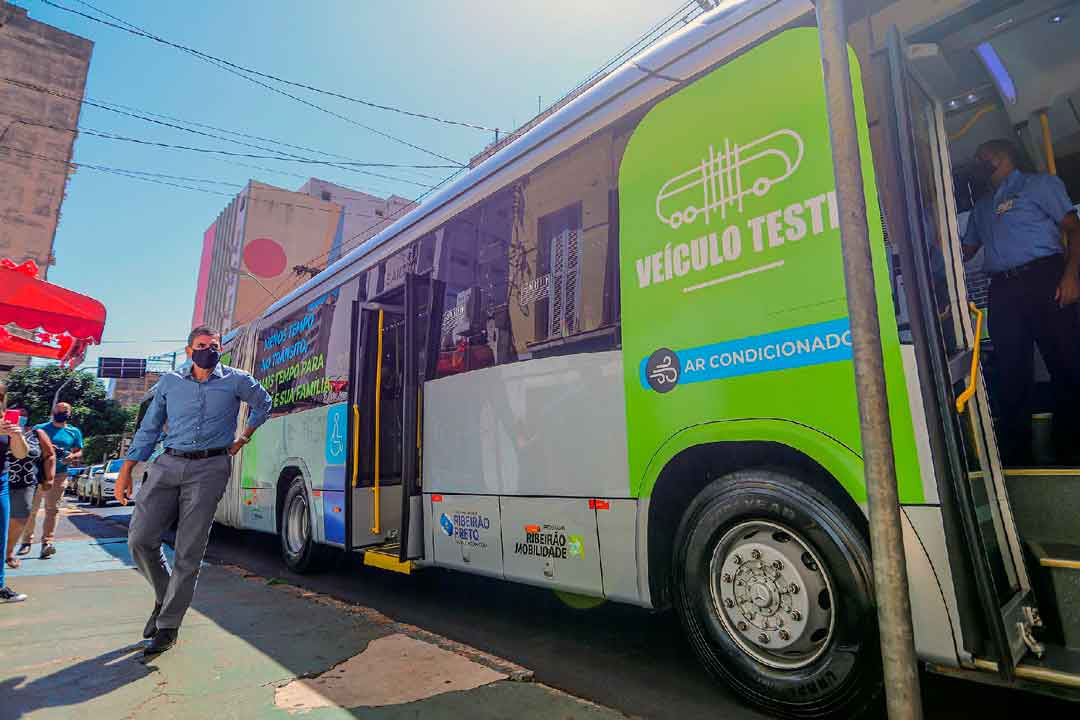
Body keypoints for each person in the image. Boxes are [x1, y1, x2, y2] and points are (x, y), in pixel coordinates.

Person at [116, 326, 272, 655]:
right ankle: (164, 596)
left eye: (213, 346)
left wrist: (243, 438)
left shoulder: (236, 380)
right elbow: (150, 427)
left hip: (209, 468)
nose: (208, 351)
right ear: (189, 350)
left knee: (189, 551)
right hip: (167, 464)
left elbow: (264, 403)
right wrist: (127, 469)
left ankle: (168, 626)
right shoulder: (170, 382)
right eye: (201, 346)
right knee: (140, 539)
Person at [962, 138, 1080, 466]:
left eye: (983, 152)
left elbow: (1074, 229)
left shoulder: (1038, 185)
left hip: (1045, 277)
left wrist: (1072, 276)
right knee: (1012, 372)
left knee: (1066, 364)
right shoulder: (982, 208)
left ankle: (1070, 449)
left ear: (1004, 153)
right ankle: (1018, 458)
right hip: (1002, 290)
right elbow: (966, 252)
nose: (979, 159)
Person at [17, 401, 82, 559]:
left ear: (69, 414)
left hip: (60, 474)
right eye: (58, 410)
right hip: (38, 473)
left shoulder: (74, 432)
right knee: (31, 509)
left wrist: (71, 457)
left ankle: (47, 543)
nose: (61, 413)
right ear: (53, 411)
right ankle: (26, 542)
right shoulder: (40, 428)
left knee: (52, 509)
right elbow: (28, 445)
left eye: (65, 411)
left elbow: (79, 451)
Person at [5, 409, 54, 570]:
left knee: (20, 518)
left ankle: (8, 552)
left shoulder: (37, 433)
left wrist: (50, 477)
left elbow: (49, 455)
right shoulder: (2, 429)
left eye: (23, 415)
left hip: (26, 482)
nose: (19, 417)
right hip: (3, 480)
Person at [1, 383, 31, 603]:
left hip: (1, 483)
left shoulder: (6, 421)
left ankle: (0, 585)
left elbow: (21, 454)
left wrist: (16, 436)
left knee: (1, 536)